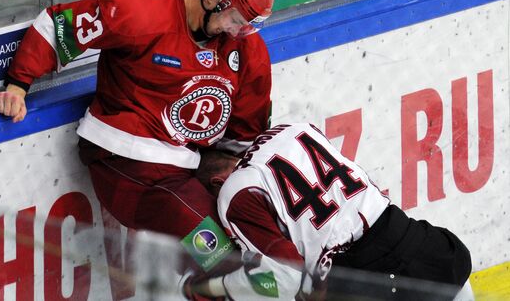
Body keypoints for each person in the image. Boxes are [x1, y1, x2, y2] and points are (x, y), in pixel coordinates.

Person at [0, 0, 275, 274]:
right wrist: (18, 84)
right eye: (237, 21)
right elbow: (58, 27)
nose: (238, 33)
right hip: (125, 165)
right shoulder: (140, 11)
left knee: (257, 239)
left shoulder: (246, 50)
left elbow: (246, 134)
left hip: (186, 172)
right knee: (223, 256)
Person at [186, 123, 474, 301]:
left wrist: (211, 287)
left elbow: (285, 278)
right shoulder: (295, 130)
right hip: (421, 244)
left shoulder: (231, 191)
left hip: (364, 279)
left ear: (216, 182)